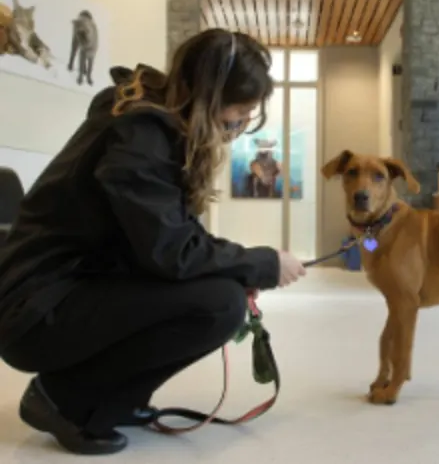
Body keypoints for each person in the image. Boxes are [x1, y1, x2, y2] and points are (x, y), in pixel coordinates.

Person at [0, 29, 306, 455]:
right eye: (241, 110)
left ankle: (114, 399)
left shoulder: (148, 123)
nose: (239, 123)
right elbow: (171, 251)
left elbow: (168, 237)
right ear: (210, 99)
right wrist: (262, 264)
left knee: (221, 293)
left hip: (63, 291)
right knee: (220, 305)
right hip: (35, 311)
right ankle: (64, 399)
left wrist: (236, 266)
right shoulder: (140, 138)